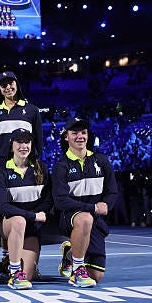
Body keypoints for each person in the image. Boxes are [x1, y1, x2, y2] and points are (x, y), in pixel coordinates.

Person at [0, 70, 43, 278]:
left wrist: (36, 165)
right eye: (3, 85)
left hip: (27, 167)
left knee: (31, 207)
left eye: (10, 83)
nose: (7, 87)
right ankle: (6, 259)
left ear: (17, 84)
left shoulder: (32, 110)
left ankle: (30, 262)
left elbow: (38, 140)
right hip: (3, 168)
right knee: (6, 213)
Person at [53, 117, 117, 288]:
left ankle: (70, 254)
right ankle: (77, 270)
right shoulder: (61, 166)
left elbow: (112, 191)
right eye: (74, 133)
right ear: (66, 137)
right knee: (85, 218)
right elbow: (61, 201)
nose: (80, 136)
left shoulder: (101, 161)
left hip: (96, 219)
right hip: (71, 218)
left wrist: (106, 205)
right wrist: (91, 208)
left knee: (96, 276)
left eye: (83, 132)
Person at [0, 128, 53, 289]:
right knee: (19, 222)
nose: (23, 146)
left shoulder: (41, 168)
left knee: (28, 276)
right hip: (9, 225)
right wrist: (32, 216)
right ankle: (14, 273)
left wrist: (34, 218)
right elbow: (2, 207)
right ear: (11, 146)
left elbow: (47, 201)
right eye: (19, 142)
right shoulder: (2, 170)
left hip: (32, 229)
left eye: (27, 142)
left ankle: (9, 264)